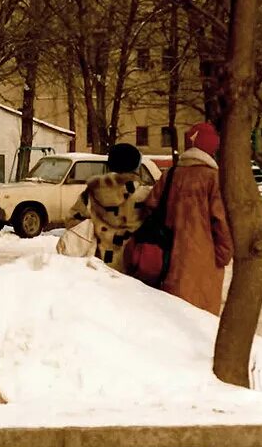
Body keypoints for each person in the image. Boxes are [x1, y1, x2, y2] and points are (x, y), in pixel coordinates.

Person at [144, 122, 232, 314]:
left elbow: (151, 206)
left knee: (174, 315)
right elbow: (221, 221)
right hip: (204, 260)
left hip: (168, 258)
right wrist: (223, 255)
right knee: (201, 318)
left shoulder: (171, 174)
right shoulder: (213, 178)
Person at [66, 142, 152, 272]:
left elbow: (72, 220)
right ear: (136, 166)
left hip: (99, 266)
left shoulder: (92, 192)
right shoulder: (145, 194)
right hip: (135, 265)